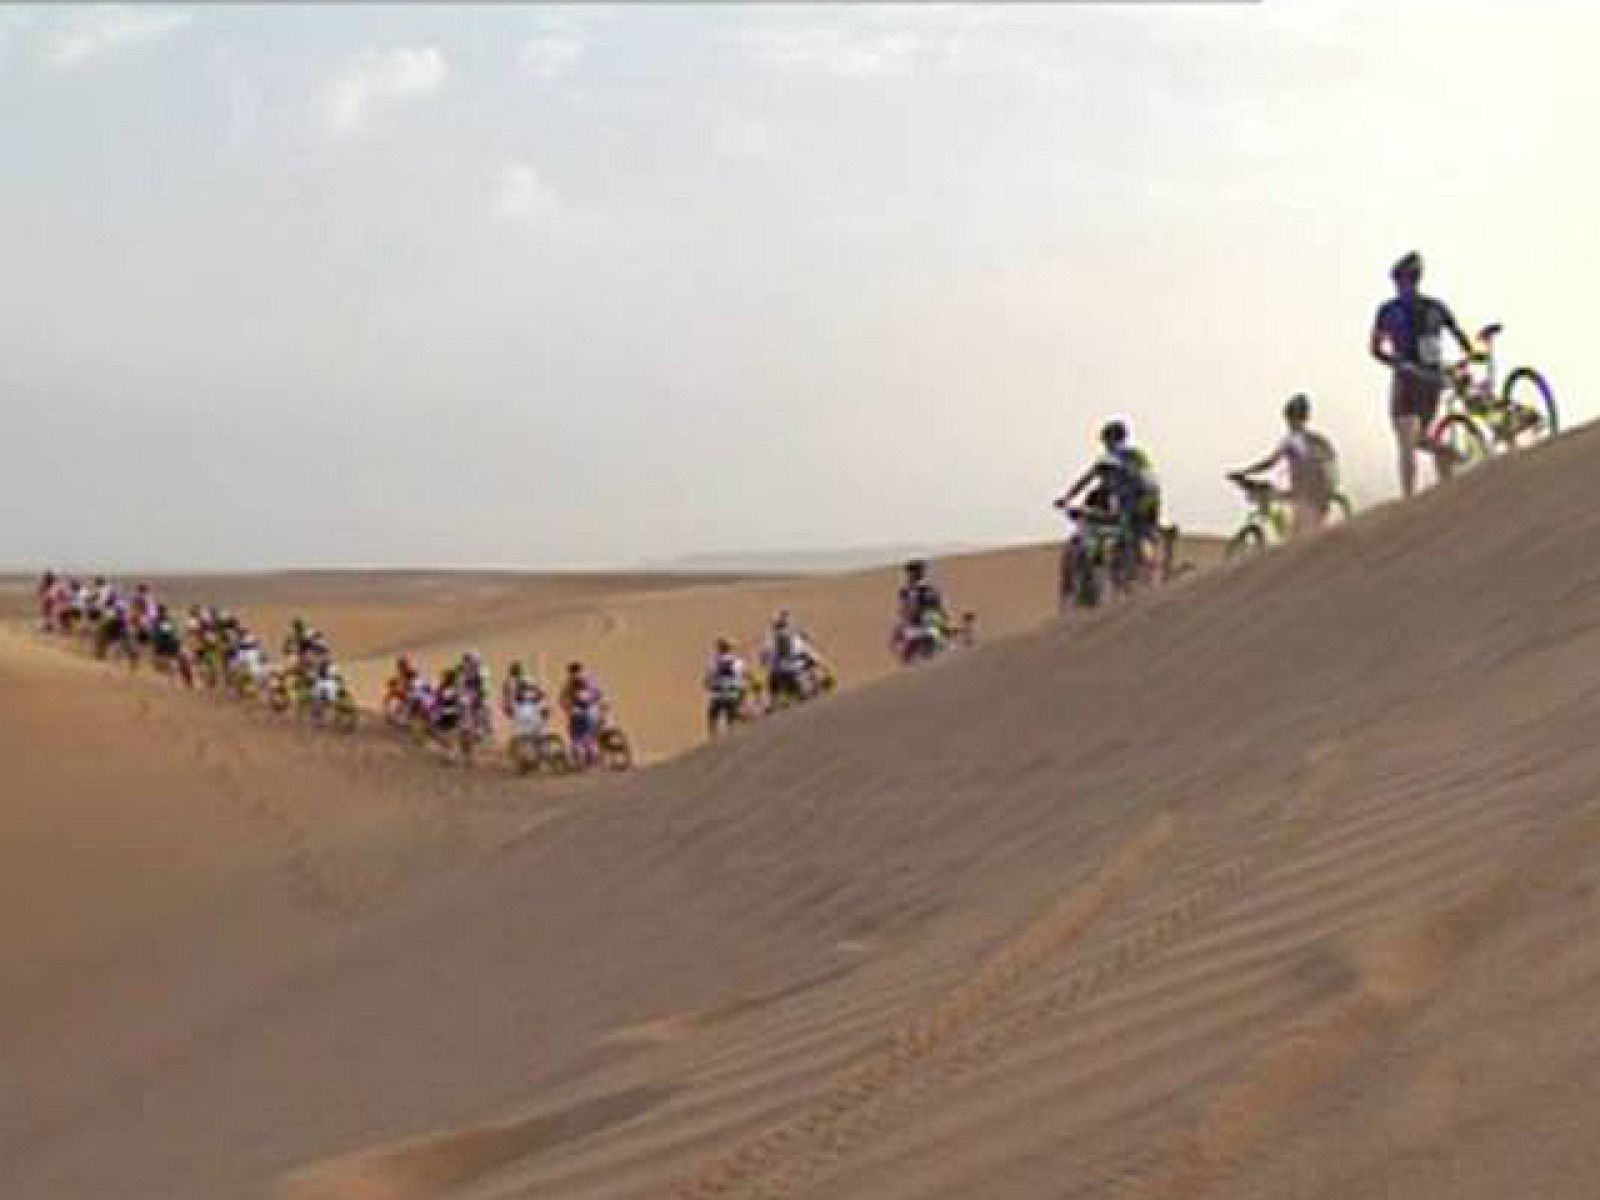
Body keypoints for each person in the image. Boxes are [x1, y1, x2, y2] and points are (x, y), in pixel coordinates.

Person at [1370, 251, 1473, 497]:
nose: (1400, 287)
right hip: (1430, 380)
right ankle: (1444, 453)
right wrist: (1467, 358)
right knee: (1416, 438)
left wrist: (1396, 362)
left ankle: (1410, 498)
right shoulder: (1436, 307)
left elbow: (1375, 348)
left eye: (1401, 281)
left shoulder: (1390, 310)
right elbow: (1462, 340)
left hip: (1411, 381)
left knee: (1407, 439)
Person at [1229, 394, 1341, 536]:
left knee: (1301, 535)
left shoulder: (1292, 441)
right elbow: (1331, 460)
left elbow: (1270, 462)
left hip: (1307, 493)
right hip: (1321, 488)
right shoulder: (1319, 439)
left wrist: (1244, 472)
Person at [560, 662, 606, 766]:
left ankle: (588, 754)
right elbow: (599, 694)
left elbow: (563, 700)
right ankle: (592, 754)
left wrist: (567, 708)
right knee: (590, 734)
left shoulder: (570, 685)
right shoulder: (588, 682)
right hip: (591, 711)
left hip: (582, 712)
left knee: (578, 736)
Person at [704, 637, 750, 738]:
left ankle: (713, 739)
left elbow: (707, 679)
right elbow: (745, 675)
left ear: (719, 648)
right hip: (733, 693)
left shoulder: (713, 662)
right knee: (731, 718)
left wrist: (709, 685)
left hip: (718, 695)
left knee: (712, 717)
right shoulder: (737, 661)